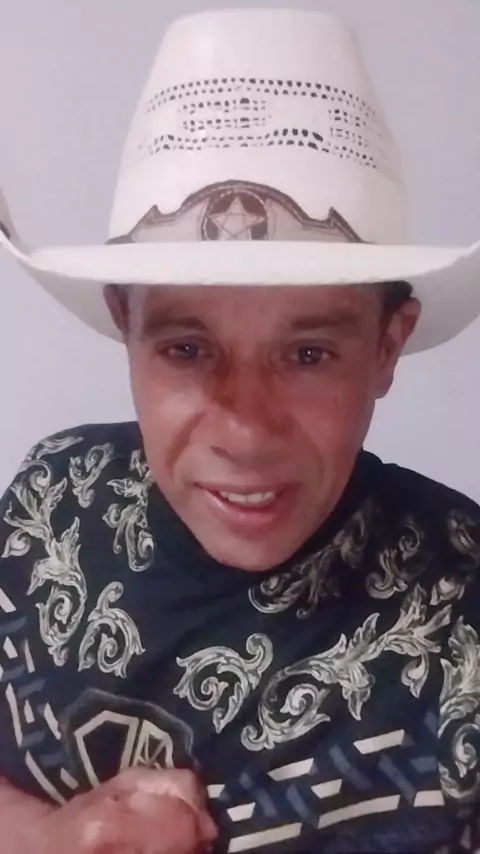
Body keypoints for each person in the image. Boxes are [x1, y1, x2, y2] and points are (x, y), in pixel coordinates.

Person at [0, 7, 479, 854]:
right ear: (124, 325)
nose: (246, 431)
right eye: (188, 349)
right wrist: (45, 836)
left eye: (307, 354)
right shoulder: (53, 497)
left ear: (386, 345)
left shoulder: (460, 626)